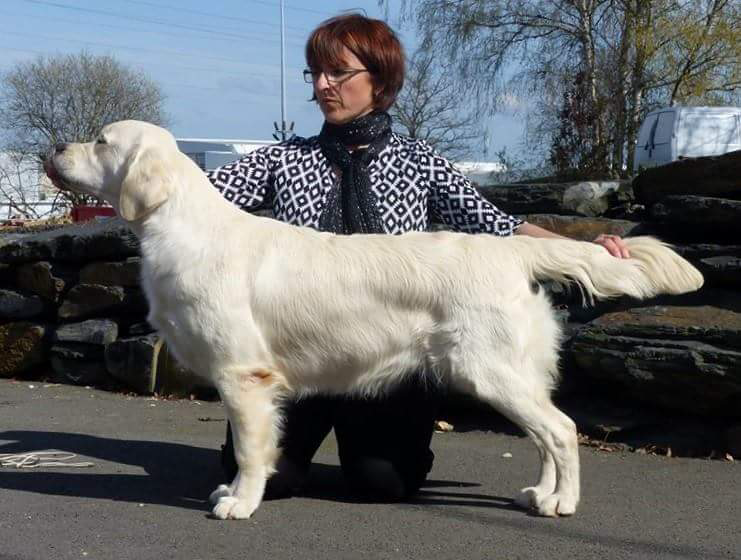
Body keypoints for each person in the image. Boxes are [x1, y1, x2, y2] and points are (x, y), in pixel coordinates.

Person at [207, 13, 630, 502]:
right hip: (301, 360)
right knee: (270, 477)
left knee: (381, 482)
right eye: (317, 73)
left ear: (379, 79)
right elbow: (196, 199)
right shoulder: (282, 159)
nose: (324, 85)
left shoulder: (418, 160)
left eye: (339, 72)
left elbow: (497, 225)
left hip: (389, 359)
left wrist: (585, 249)